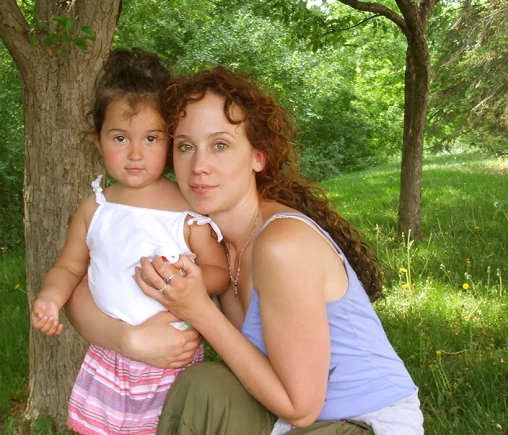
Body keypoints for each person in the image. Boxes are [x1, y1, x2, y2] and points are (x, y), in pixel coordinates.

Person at [67, 66, 424, 434]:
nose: (199, 166)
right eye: (186, 146)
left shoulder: (282, 244)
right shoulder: (204, 239)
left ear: (258, 157)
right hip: (287, 422)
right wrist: (127, 338)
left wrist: (200, 311)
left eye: (220, 145)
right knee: (202, 387)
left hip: (361, 424)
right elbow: (77, 290)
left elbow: (300, 409)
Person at [31, 49, 229, 435]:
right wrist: (49, 299)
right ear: (97, 139)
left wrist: (191, 281)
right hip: (111, 361)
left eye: (151, 138)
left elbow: (220, 272)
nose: (136, 154)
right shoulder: (95, 208)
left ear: (170, 140)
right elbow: (69, 268)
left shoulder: (186, 209)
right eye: (120, 137)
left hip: (173, 362)